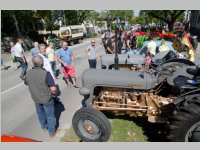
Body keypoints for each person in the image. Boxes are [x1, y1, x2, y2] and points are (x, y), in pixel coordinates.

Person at [24, 55, 57, 138]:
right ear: (42, 63)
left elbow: (27, 84)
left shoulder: (28, 73)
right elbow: (53, 89)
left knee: (40, 113)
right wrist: (54, 94)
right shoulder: (46, 73)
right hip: (46, 98)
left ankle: (44, 127)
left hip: (35, 97)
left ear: (33, 63)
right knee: (50, 115)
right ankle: (51, 132)